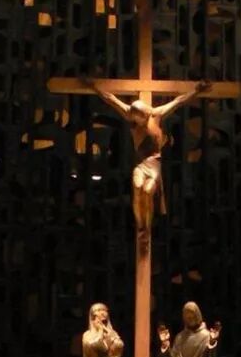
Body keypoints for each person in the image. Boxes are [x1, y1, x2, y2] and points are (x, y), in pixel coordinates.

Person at [84, 78, 209, 252]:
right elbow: (110, 99)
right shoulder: (130, 113)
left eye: (139, 119)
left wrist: (197, 90)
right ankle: (141, 226)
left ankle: (147, 228)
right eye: (134, 119)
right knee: (137, 186)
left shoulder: (157, 114)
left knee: (148, 190)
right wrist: (94, 87)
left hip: (154, 162)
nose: (136, 122)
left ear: (146, 115)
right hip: (140, 163)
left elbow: (179, 101)